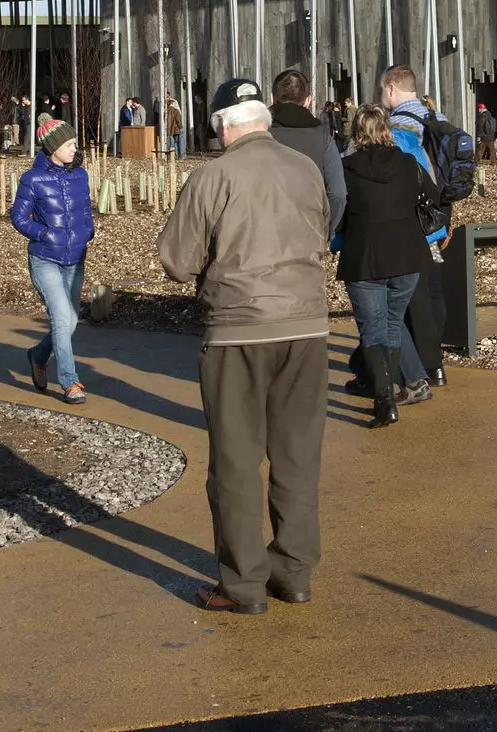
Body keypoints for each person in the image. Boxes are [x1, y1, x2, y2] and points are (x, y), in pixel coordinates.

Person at [157, 77, 330, 615]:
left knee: (236, 461)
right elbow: (323, 230)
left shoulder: (214, 176)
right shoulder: (306, 168)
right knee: (298, 458)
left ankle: (243, 584)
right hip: (307, 327)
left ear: (222, 126)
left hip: (239, 329)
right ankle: (294, 573)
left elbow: (175, 260)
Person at [337, 105, 439, 426]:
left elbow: (336, 209)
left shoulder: (345, 168)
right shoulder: (409, 164)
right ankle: (391, 392)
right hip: (408, 256)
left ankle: (384, 402)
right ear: (386, 129)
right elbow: (433, 196)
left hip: (364, 256)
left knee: (373, 329)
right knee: (393, 324)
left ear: (357, 132)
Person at [10, 118, 96, 404]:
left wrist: (88, 231)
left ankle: (37, 355)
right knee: (61, 318)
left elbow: (86, 210)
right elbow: (18, 218)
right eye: (69, 144)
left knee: (70, 322)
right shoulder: (32, 179)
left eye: (74, 144)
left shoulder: (80, 175)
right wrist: (43, 233)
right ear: (53, 147)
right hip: (45, 258)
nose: (74, 148)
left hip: (75, 258)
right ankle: (70, 383)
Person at [266, 69, 346, 237]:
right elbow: (338, 194)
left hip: (265, 233)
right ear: (308, 101)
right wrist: (326, 231)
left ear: (272, 97)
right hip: (309, 234)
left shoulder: (260, 133)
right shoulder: (323, 137)